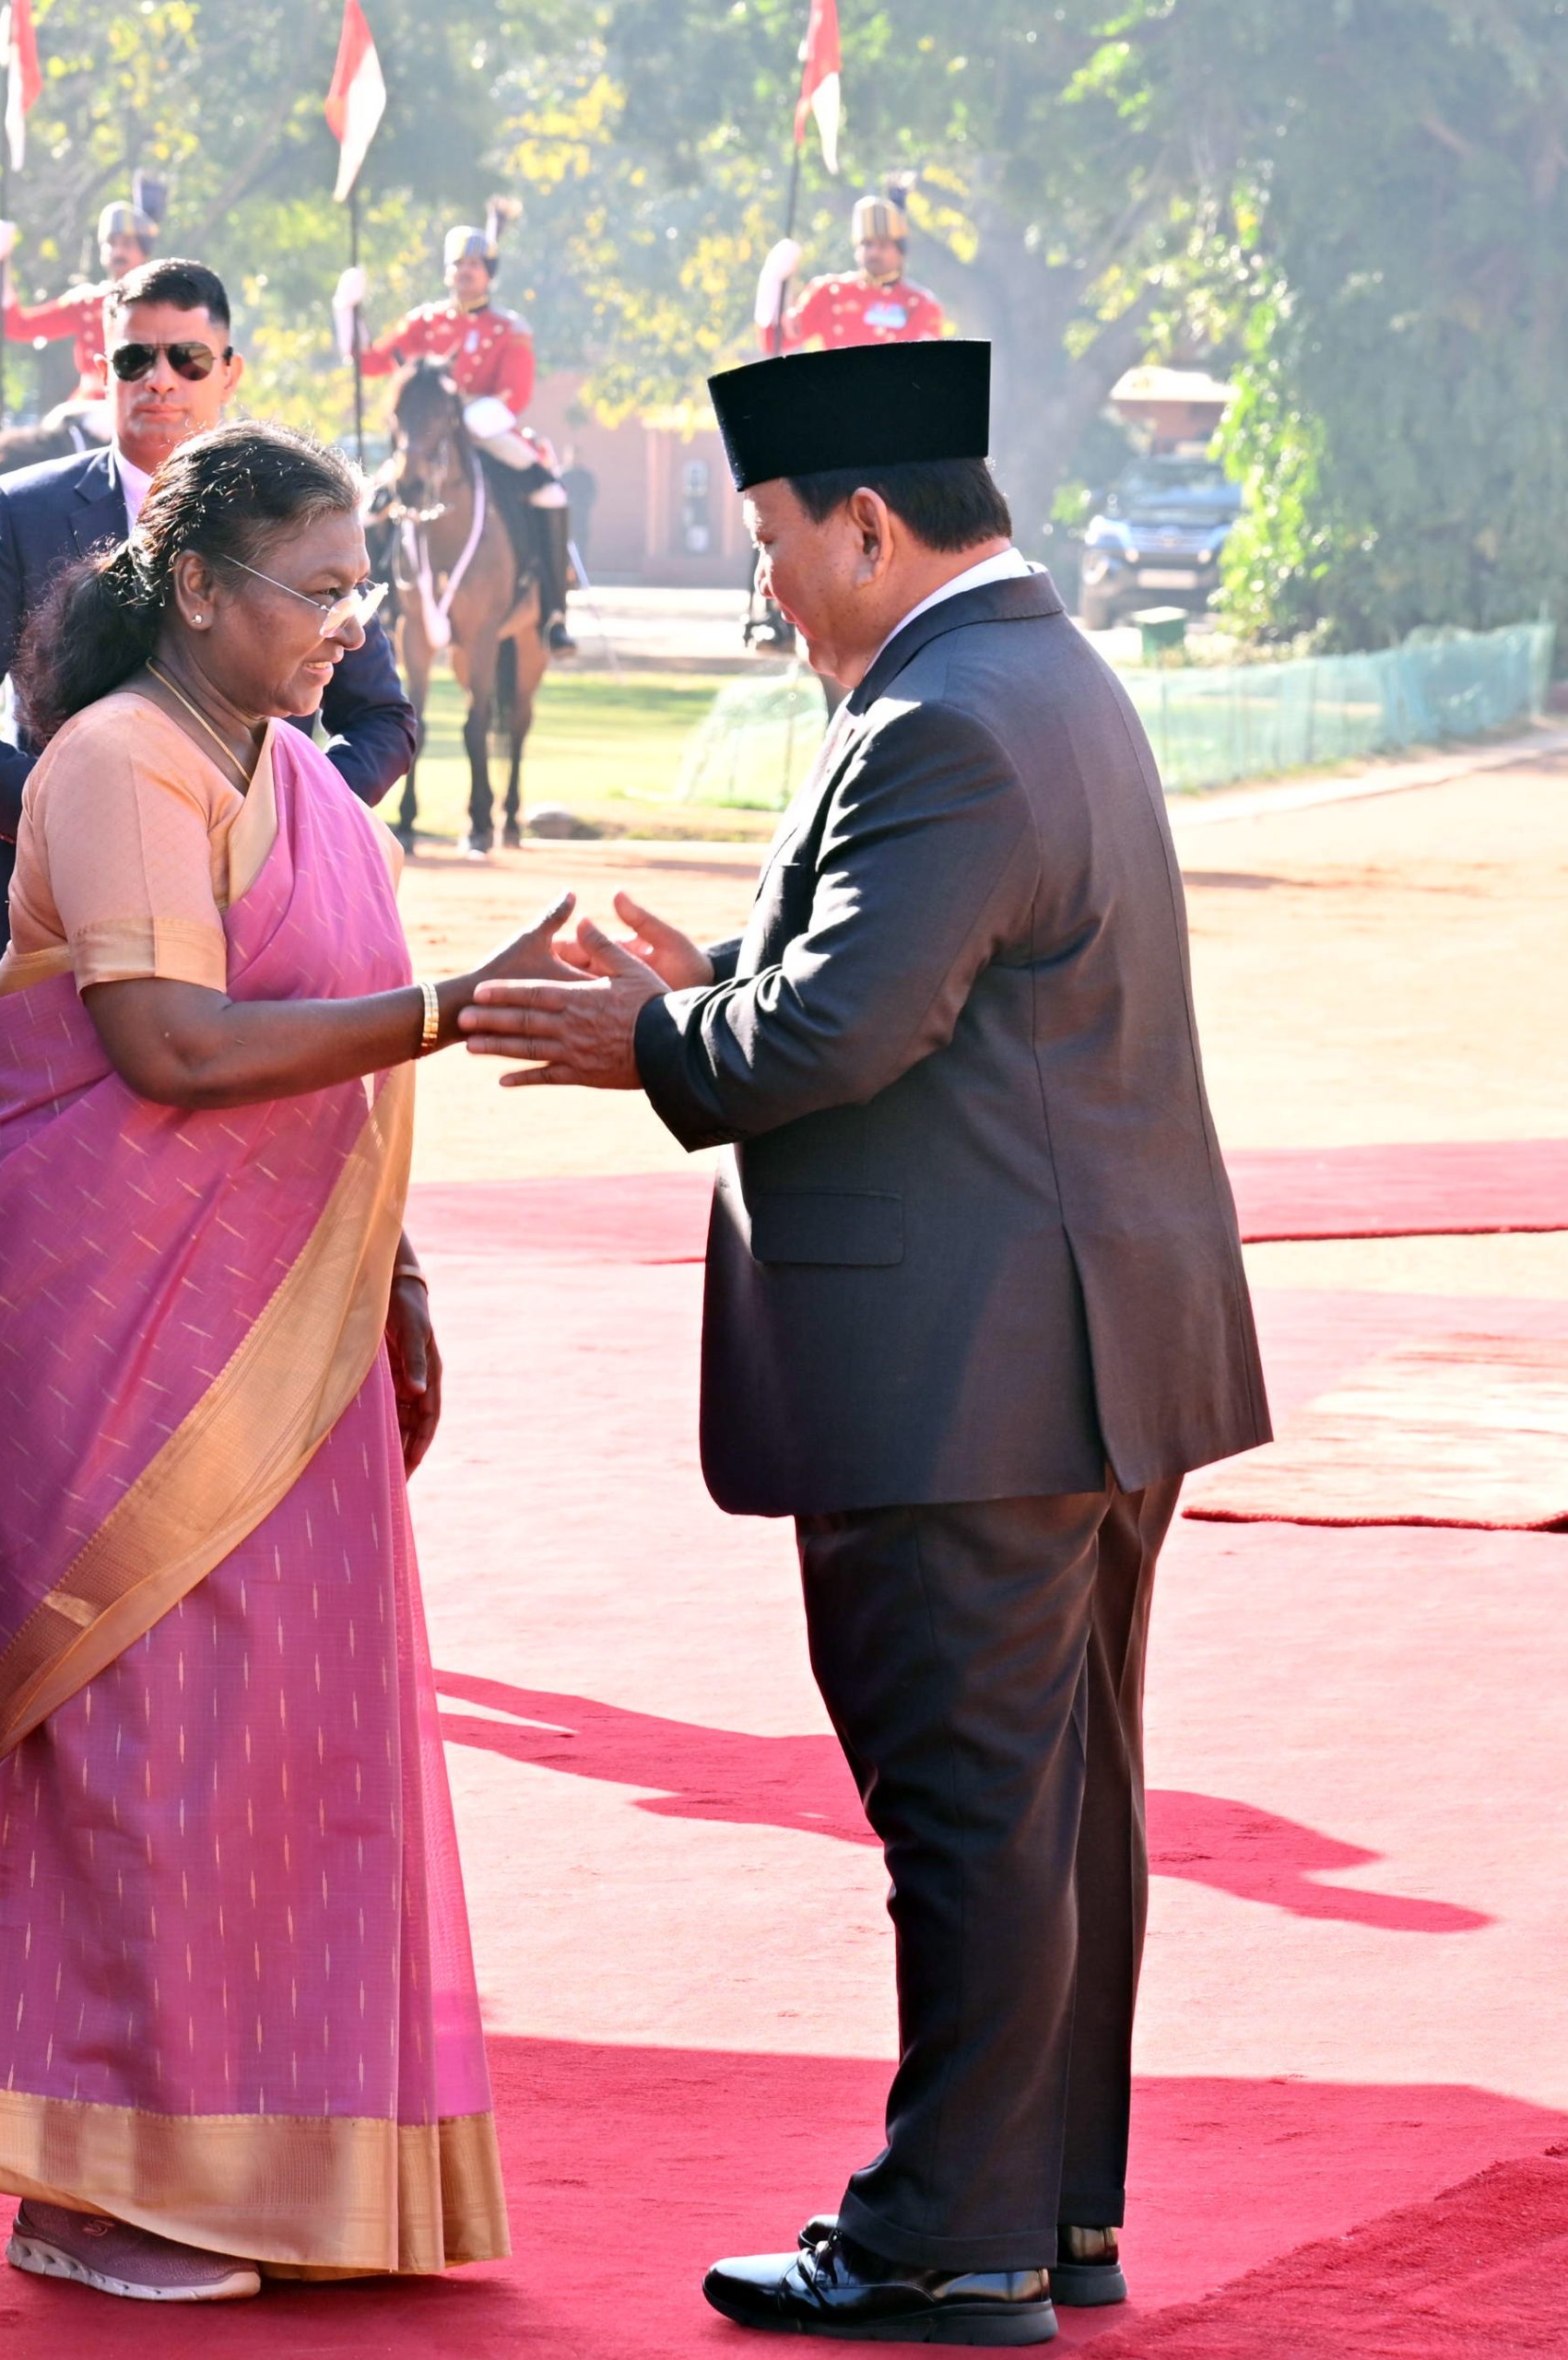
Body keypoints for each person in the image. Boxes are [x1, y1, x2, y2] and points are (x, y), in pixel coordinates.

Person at [461, 339, 1271, 2346]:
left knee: (973, 1818)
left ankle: (943, 2241)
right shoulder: (1030, 678)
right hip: (1071, 1350)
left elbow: (847, 1029)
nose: (762, 582)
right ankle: (1045, 2214)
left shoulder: (943, 719)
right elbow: (920, 974)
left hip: (973, 1372)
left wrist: (652, 1036)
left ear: (869, 525)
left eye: (768, 539)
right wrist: (718, 974)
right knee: (1054, 1807)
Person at [0, 415, 570, 2299]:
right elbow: (173, 1047)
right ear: (196, 586)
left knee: (287, 1736)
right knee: (143, 1740)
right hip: (102, 1318)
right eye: (316, 589)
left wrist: (390, 1263)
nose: (348, 625)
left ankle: (278, 2175)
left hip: (287, 1320)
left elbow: (320, 1057)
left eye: (364, 589)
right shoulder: (117, 759)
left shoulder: (305, 783)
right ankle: (88, 2185)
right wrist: (451, 1008)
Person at [0, 255, 419, 1642]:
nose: (159, 382)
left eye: (187, 359)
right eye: (134, 359)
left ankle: (237, 1509)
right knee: (54, 1259)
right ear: (102, 367)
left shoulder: (308, 525)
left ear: (230, 371)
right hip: (67, 949)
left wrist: (273, 841)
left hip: (274, 951)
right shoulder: (28, 511)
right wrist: (106, 837)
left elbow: (381, 721)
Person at [347, 210, 576, 651]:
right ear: (447, 272)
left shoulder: (510, 328)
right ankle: (378, 607)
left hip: (485, 430)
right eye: (457, 264)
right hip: (430, 440)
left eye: (474, 265)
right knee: (372, 506)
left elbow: (515, 393)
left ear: (488, 273)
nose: (465, 271)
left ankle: (553, 611)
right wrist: (349, 311)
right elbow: (371, 361)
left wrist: (469, 419)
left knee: (550, 493)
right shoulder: (425, 322)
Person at [0, 178, 161, 425]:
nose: (118, 252)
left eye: (127, 244)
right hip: (89, 407)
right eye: (111, 243)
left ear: (144, 252)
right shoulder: (86, 302)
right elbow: (18, 326)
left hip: (145, 404)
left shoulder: (160, 301)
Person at [755, 192, 947, 356]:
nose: (874, 252)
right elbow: (773, 342)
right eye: (867, 244)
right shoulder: (830, 292)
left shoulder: (921, 304)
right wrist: (772, 281)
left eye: (883, 245)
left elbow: (928, 364)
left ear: (900, 251)